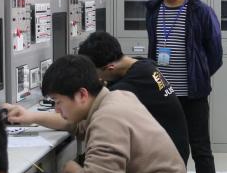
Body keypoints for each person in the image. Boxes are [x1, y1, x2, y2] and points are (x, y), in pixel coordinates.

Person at [42, 54, 191, 173]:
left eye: (58, 102)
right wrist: (28, 117)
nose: (57, 110)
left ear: (82, 95)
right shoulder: (117, 98)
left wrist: (72, 169)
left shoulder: (107, 118)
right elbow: (79, 126)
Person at [146, 0, 222, 173]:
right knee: (168, 149)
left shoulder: (201, 12)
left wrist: (197, 77)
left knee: (200, 149)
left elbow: (215, 55)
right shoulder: (153, 9)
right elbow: (154, 49)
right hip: (164, 94)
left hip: (193, 94)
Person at [77, 30, 189, 163]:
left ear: (110, 68)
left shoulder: (129, 85)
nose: (98, 79)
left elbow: (86, 118)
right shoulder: (142, 65)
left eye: (96, 74)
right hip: (171, 150)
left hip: (165, 160)